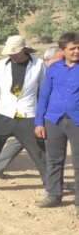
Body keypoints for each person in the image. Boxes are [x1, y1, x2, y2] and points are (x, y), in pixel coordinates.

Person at [0, 35, 47, 193]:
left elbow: (44, 91)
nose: (12, 56)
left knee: (39, 151)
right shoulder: (1, 65)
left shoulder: (38, 65)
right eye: (10, 53)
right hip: (4, 113)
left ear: (24, 50)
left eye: (15, 52)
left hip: (28, 114)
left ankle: (50, 182)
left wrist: (41, 117)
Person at [0, 45, 65, 179]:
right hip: (33, 114)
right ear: (48, 59)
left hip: (41, 115)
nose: (63, 62)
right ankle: (52, 180)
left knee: (23, 140)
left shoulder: (51, 72)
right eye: (60, 59)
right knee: (42, 145)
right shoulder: (38, 71)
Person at [34, 32, 79, 213]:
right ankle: (53, 194)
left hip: (77, 121)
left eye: (78, 48)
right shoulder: (53, 69)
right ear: (62, 50)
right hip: (53, 120)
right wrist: (39, 122)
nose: (76, 51)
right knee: (54, 160)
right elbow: (44, 96)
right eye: (72, 48)